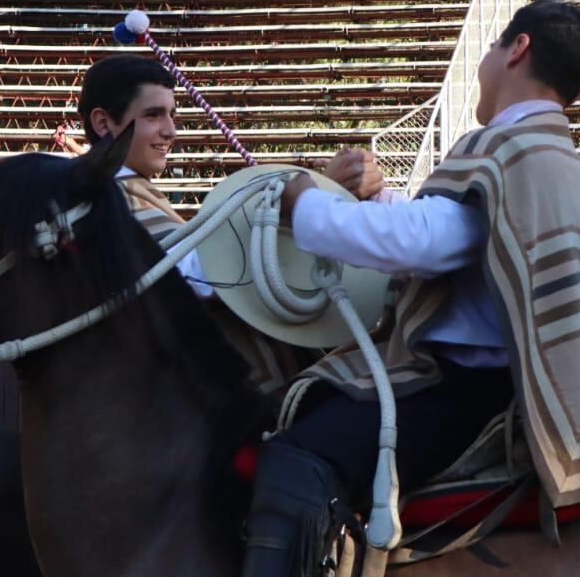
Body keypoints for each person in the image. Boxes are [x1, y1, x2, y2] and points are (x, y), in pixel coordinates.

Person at [229, 0, 580, 577]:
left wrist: (300, 196)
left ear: (517, 49)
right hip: (491, 386)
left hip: (461, 393)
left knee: (292, 457)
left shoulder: (515, 149)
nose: (483, 65)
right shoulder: (548, 152)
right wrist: (378, 198)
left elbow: (422, 244)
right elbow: (458, 241)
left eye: (491, 49)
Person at [75, 54, 382, 395]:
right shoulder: (102, 198)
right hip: (206, 408)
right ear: (104, 124)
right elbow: (188, 272)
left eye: (172, 115)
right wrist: (317, 194)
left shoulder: (122, 191)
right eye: (153, 115)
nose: (170, 130)